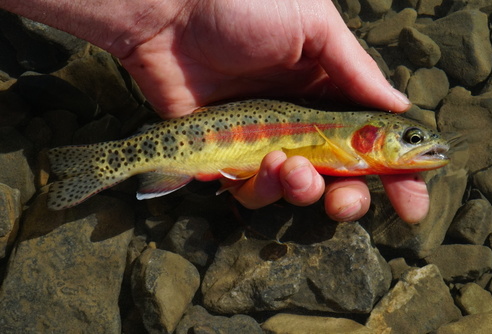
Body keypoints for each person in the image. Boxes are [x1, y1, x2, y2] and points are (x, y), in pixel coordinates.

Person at [0, 0, 429, 223]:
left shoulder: (349, 140)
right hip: (199, 137)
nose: (425, 147)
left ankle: (108, 162)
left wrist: (164, 16)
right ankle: (109, 162)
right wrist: (174, 12)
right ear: (371, 133)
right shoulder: (347, 139)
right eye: (413, 138)